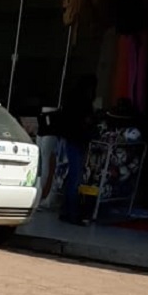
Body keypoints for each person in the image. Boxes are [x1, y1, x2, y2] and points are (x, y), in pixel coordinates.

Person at [59, 74, 97, 225]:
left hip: (71, 139)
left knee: (72, 177)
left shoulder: (72, 99)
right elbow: (85, 121)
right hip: (78, 140)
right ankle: (72, 213)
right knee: (75, 178)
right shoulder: (83, 102)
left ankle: (66, 210)